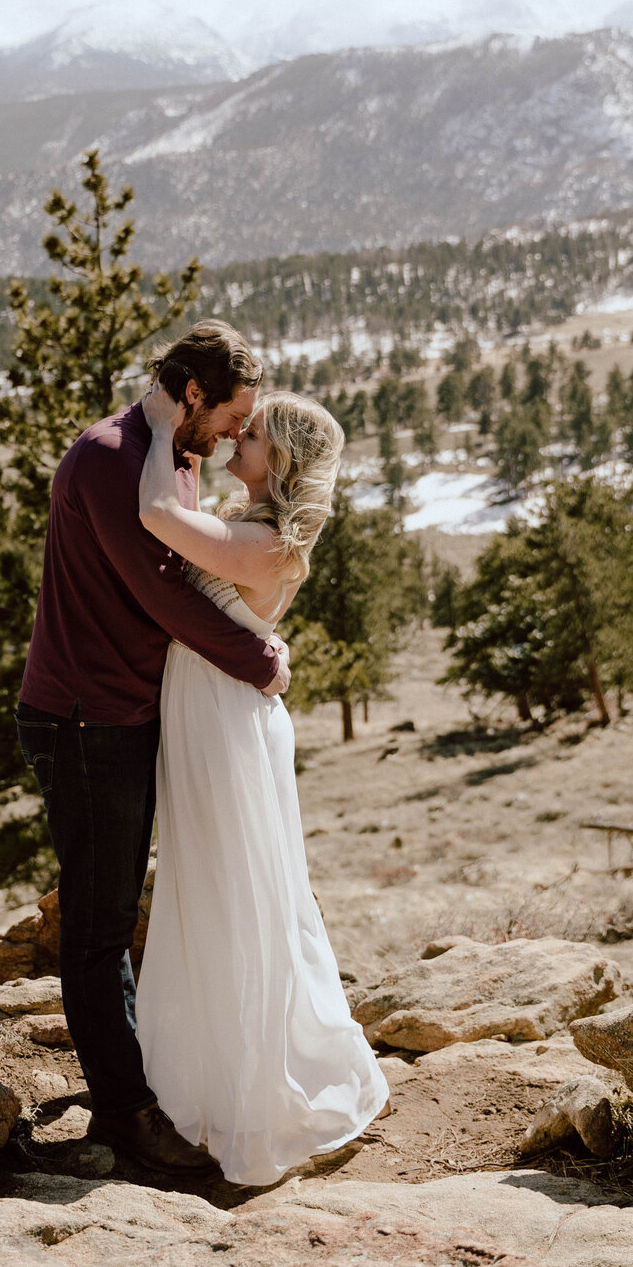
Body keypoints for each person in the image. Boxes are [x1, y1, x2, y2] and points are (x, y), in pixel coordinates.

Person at [15, 319, 291, 1176]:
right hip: (83, 719)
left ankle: (134, 1084)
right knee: (97, 929)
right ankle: (126, 1116)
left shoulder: (170, 454)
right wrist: (259, 662)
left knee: (115, 912)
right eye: (235, 415)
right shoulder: (107, 457)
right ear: (196, 393)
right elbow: (160, 594)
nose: (239, 435)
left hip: (123, 714)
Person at [134, 384, 390, 1186]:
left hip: (222, 727)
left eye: (253, 435)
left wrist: (154, 428)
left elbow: (155, 517)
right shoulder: (256, 531)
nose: (238, 438)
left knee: (233, 898)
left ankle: (250, 1099)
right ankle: (215, 1075)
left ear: (278, 461)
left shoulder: (265, 542)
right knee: (220, 890)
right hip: (217, 716)